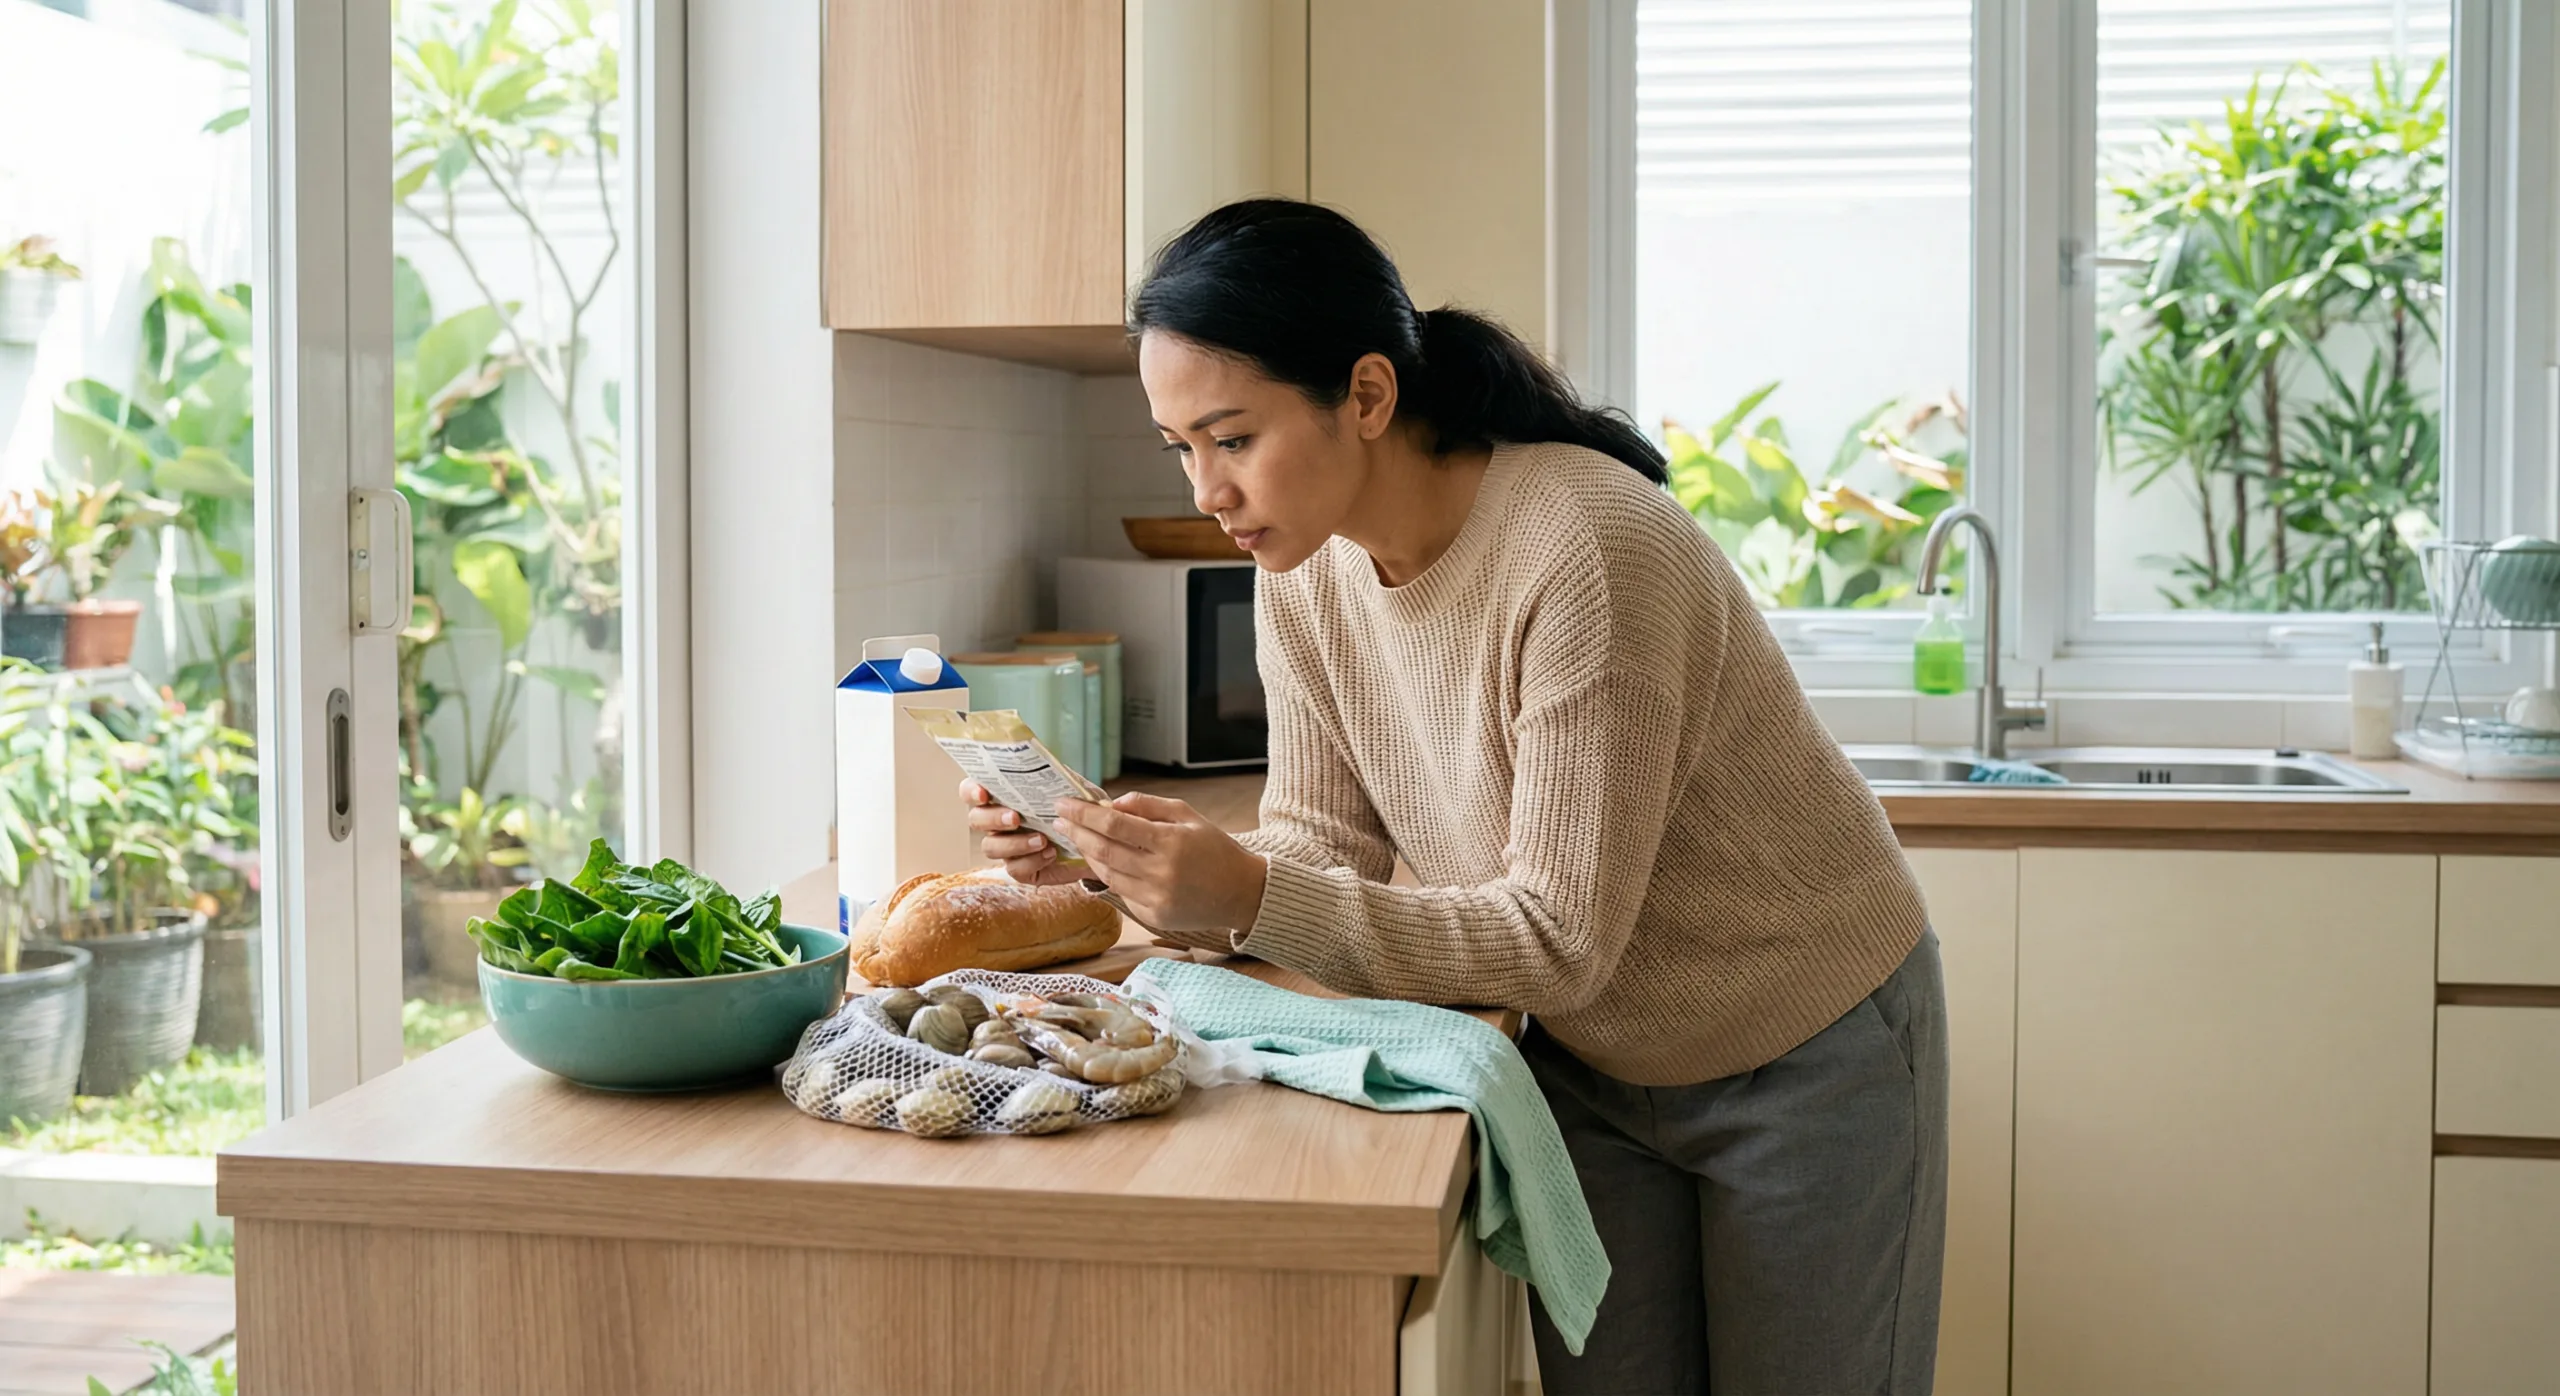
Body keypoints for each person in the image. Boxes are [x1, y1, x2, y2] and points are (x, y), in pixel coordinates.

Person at [962, 198, 1947, 1396]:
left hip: (1805, 1050)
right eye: (1180, 447)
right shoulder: (1303, 568)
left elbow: (1556, 938)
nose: (1208, 489)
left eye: (1231, 436)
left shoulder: (1585, 550)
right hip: (1588, 1064)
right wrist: (1114, 863)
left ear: (1366, 397)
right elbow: (1323, 842)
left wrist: (1250, 890)